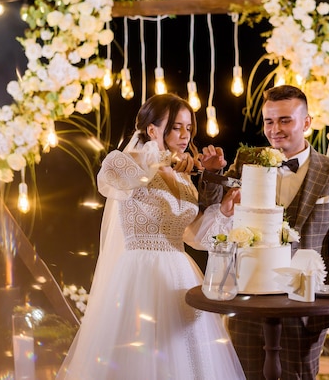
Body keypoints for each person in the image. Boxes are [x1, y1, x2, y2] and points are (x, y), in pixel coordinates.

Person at [56, 94, 245, 380]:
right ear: (152, 130)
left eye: (189, 128)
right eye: (176, 127)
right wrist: (160, 158)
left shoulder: (183, 178)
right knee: (139, 357)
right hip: (140, 276)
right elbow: (108, 181)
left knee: (185, 359)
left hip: (181, 275)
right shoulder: (125, 162)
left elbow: (195, 236)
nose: (185, 135)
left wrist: (225, 211)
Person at [198, 84, 329, 379]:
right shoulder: (245, 162)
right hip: (246, 304)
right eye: (269, 121)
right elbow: (213, 215)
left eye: (285, 120)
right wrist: (211, 176)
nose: (275, 129)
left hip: (304, 309)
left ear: (307, 122)